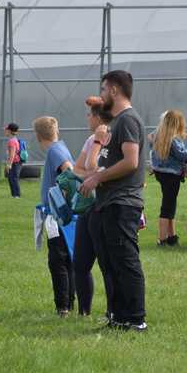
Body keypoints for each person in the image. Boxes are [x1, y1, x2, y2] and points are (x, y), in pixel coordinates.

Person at [79, 70, 147, 332]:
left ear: (115, 90)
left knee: (126, 260)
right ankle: (118, 316)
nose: (103, 94)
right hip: (108, 202)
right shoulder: (116, 121)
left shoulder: (129, 120)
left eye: (105, 89)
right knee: (110, 261)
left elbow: (131, 162)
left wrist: (98, 178)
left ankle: (135, 318)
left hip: (123, 201)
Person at [72, 96, 113, 317]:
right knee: (80, 262)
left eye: (90, 114)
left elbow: (104, 170)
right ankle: (84, 312)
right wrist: (94, 175)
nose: (87, 118)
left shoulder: (113, 138)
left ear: (98, 117)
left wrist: (97, 174)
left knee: (108, 264)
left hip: (106, 206)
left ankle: (112, 310)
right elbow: (79, 169)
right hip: (87, 205)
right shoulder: (90, 140)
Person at [33, 116, 76, 317]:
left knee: (58, 261)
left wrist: (62, 198)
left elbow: (68, 170)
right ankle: (69, 302)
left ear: (38, 136)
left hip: (56, 216)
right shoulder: (61, 146)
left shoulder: (54, 151)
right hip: (61, 214)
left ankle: (63, 307)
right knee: (67, 259)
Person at [150, 109, 187, 247]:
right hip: (172, 175)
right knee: (167, 206)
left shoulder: (160, 135)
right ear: (178, 123)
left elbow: (150, 138)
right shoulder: (174, 139)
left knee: (170, 204)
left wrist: (185, 135)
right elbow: (185, 156)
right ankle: (162, 239)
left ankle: (172, 236)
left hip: (161, 173)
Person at [4, 123, 22, 198]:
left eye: (6, 130)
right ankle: (13, 194)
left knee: (14, 178)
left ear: (10, 131)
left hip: (15, 163)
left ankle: (17, 195)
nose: (5, 131)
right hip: (14, 162)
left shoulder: (12, 141)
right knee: (11, 178)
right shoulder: (13, 140)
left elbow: (12, 154)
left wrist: (9, 164)